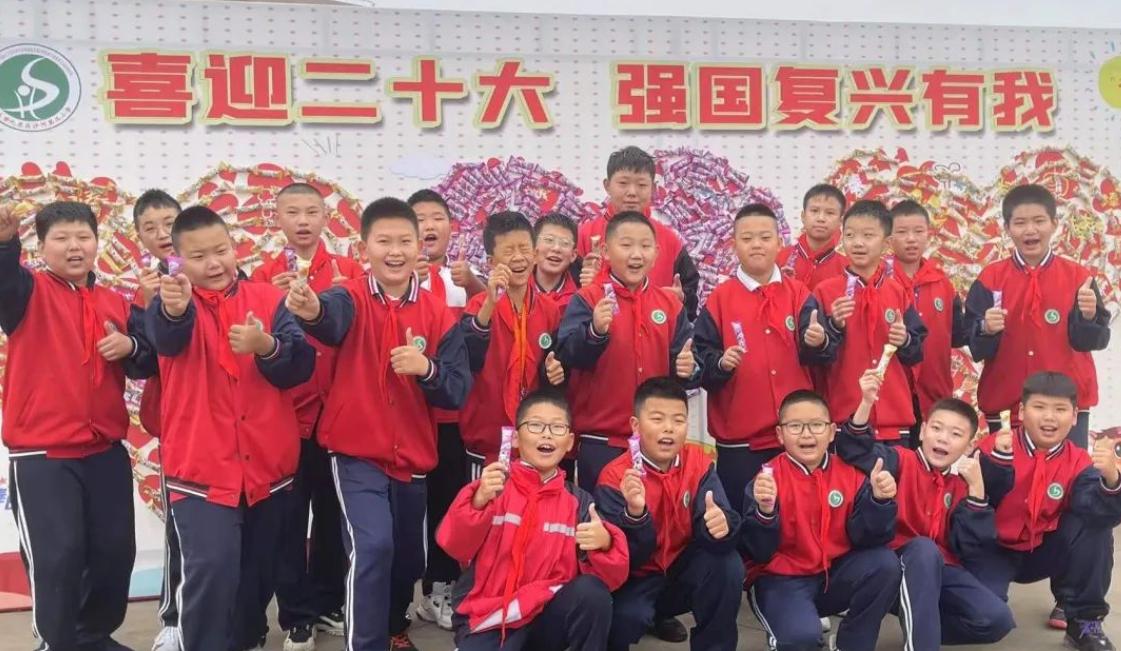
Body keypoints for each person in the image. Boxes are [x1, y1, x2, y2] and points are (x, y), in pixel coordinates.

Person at [285, 196, 471, 651]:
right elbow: (328, 319)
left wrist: (426, 369)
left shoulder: (437, 313)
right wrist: (310, 309)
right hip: (356, 455)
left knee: (408, 559)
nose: (395, 251)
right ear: (363, 246)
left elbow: (456, 388)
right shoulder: (348, 297)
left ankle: (391, 627)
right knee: (372, 548)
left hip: (413, 459)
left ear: (418, 247)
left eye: (404, 241)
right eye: (384, 241)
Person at [146, 205, 316, 651]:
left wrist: (267, 345)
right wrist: (174, 310)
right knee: (212, 569)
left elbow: (300, 365)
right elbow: (165, 338)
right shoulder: (170, 305)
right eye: (198, 256)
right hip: (202, 471)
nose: (214, 263)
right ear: (178, 260)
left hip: (268, 468)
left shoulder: (269, 299)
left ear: (233, 247)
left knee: (256, 576)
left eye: (220, 250)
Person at [0, 201, 156, 651]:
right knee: (59, 557)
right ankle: (58, 642)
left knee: (114, 552)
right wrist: (5, 243)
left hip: (105, 451)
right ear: (41, 247)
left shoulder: (113, 302)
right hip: (44, 455)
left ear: (96, 242)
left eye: (83, 237)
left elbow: (146, 360)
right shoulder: (26, 292)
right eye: (62, 238)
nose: (74, 246)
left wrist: (129, 345)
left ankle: (93, 636)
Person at [249, 182, 364, 650]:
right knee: (289, 522)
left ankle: (327, 602)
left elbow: (358, 333)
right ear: (277, 218)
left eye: (312, 212)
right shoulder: (262, 275)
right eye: (292, 212)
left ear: (325, 218)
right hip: (285, 418)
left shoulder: (347, 272)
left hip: (338, 415)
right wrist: (269, 301)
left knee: (335, 516)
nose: (302, 221)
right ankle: (295, 613)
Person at [437, 388, 629, 651]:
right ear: (516, 438)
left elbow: (613, 578)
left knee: (592, 593)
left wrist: (605, 543)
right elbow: (454, 546)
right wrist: (477, 502)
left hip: (547, 617)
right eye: (536, 425)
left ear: (570, 442)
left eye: (557, 427)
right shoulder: (493, 488)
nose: (547, 434)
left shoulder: (580, 502)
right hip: (491, 617)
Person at [836, 370, 1015, 650]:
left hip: (938, 570)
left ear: (970, 445)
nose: (943, 439)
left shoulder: (962, 482)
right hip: (890, 567)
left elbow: (970, 548)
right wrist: (866, 403)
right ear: (922, 431)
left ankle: (922, 628)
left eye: (955, 434)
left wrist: (977, 491)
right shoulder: (899, 460)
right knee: (923, 548)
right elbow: (853, 450)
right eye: (936, 429)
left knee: (996, 620)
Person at [741, 389, 902, 651]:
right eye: (795, 426)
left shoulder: (852, 474)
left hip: (833, 576)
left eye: (816, 425)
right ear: (780, 434)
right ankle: (791, 628)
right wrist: (765, 511)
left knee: (885, 564)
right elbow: (757, 552)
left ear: (831, 432)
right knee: (801, 639)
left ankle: (851, 645)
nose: (807, 434)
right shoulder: (766, 480)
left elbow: (869, 539)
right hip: (782, 581)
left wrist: (879, 500)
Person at [970, 371, 1121, 650]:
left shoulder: (1079, 460)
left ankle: (1084, 622)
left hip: (1043, 549)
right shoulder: (994, 446)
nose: (1049, 417)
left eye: (1060, 409)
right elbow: (967, 511)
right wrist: (996, 466)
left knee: (1095, 525)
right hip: (993, 550)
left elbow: (1098, 508)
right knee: (982, 618)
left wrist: (1112, 480)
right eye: (1039, 407)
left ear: (1074, 416)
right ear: (1022, 411)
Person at [694, 203, 829, 512]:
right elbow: (700, 362)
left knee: (798, 518)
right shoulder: (719, 299)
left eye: (765, 237)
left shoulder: (799, 294)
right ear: (734, 245)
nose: (757, 244)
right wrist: (721, 364)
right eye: (747, 238)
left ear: (779, 242)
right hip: (741, 444)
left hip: (796, 440)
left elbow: (823, 355)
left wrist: (818, 341)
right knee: (742, 520)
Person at [596, 378, 744, 651]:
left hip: (680, 571)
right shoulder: (615, 477)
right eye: (657, 419)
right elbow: (618, 558)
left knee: (727, 565)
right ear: (635, 426)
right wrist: (635, 515)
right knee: (622, 618)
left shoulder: (699, 463)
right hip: (636, 579)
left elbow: (718, 521)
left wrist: (721, 526)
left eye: (678, 420)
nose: (669, 428)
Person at [557, 211, 700, 493]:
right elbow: (566, 357)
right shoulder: (588, 299)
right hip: (601, 442)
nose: (636, 254)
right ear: (606, 251)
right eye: (626, 245)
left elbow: (688, 363)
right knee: (601, 517)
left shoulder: (670, 305)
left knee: (652, 517)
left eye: (645, 246)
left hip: (656, 442)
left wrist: (689, 369)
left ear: (656, 253)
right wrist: (594, 331)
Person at [965, 184, 1110, 449]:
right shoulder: (990, 279)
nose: (1030, 230)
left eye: (1039, 221)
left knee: (1068, 475)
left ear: (1054, 224)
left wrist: (1089, 317)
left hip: (1065, 407)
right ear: (1007, 228)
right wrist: (985, 328)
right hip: (1007, 404)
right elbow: (975, 347)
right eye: (1020, 223)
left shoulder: (1079, 278)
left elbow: (1093, 341)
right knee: (1008, 474)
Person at [407, 188, 482, 636]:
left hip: (453, 419)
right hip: (407, 417)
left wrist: (472, 284)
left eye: (437, 218)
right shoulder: (392, 280)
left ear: (451, 227)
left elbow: (485, 328)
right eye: (419, 218)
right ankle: (399, 596)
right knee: (405, 511)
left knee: (448, 503)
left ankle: (442, 587)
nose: (428, 226)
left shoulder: (462, 280)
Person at [460, 211, 565, 477]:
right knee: (485, 502)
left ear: (535, 253)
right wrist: (489, 304)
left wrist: (554, 372)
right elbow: (469, 357)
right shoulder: (478, 306)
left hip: (533, 444)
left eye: (524, 249)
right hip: (487, 442)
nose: (518, 258)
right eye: (508, 251)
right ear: (491, 261)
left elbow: (553, 366)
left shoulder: (549, 310)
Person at [814, 199, 927, 443]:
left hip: (894, 420)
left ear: (886, 243)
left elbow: (916, 353)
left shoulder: (898, 292)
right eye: (850, 235)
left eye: (868, 235)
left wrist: (905, 340)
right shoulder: (826, 292)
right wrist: (833, 326)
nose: (858, 243)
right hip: (845, 419)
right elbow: (815, 358)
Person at [131, 189, 188, 651]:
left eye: (168, 222)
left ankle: (238, 616)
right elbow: (143, 362)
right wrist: (152, 309)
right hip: (179, 422)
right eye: (150, 228)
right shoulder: (143, 291)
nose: (162, 233)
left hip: (230, 418)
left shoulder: (219, 273)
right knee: (180, 524)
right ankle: (173, 617)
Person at [576, 146, 701, 321]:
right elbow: (566, 299)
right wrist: (586, 289)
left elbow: (689, 295)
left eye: (641, 185)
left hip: (656, 332)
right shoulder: (584, 235)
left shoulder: (670, 240)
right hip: (599, 333)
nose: (632, 193)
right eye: (623, 183)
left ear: (653, 188)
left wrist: (682, 299)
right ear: (607, 186)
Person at [888, 199, 968, 447]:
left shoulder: (943, 283)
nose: (911, 239)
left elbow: (958, 335)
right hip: (892, 396)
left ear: (929, 235)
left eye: (918, 231)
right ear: (889, 238)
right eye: (902, 232)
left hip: (934, 393)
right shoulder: (879, 281)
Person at [776, 184, 849, 289]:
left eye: (830, 213)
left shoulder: (847, 268)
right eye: (814, 211)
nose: (821, 218)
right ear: (803, 216)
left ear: (840, 221)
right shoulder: (779, 258)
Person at [533, 211, 581, 311]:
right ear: (533, 247)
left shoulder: (581, 298)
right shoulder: (513, 288)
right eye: (549, 240)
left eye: (565, 243)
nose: (556, 248)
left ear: (573, 255)